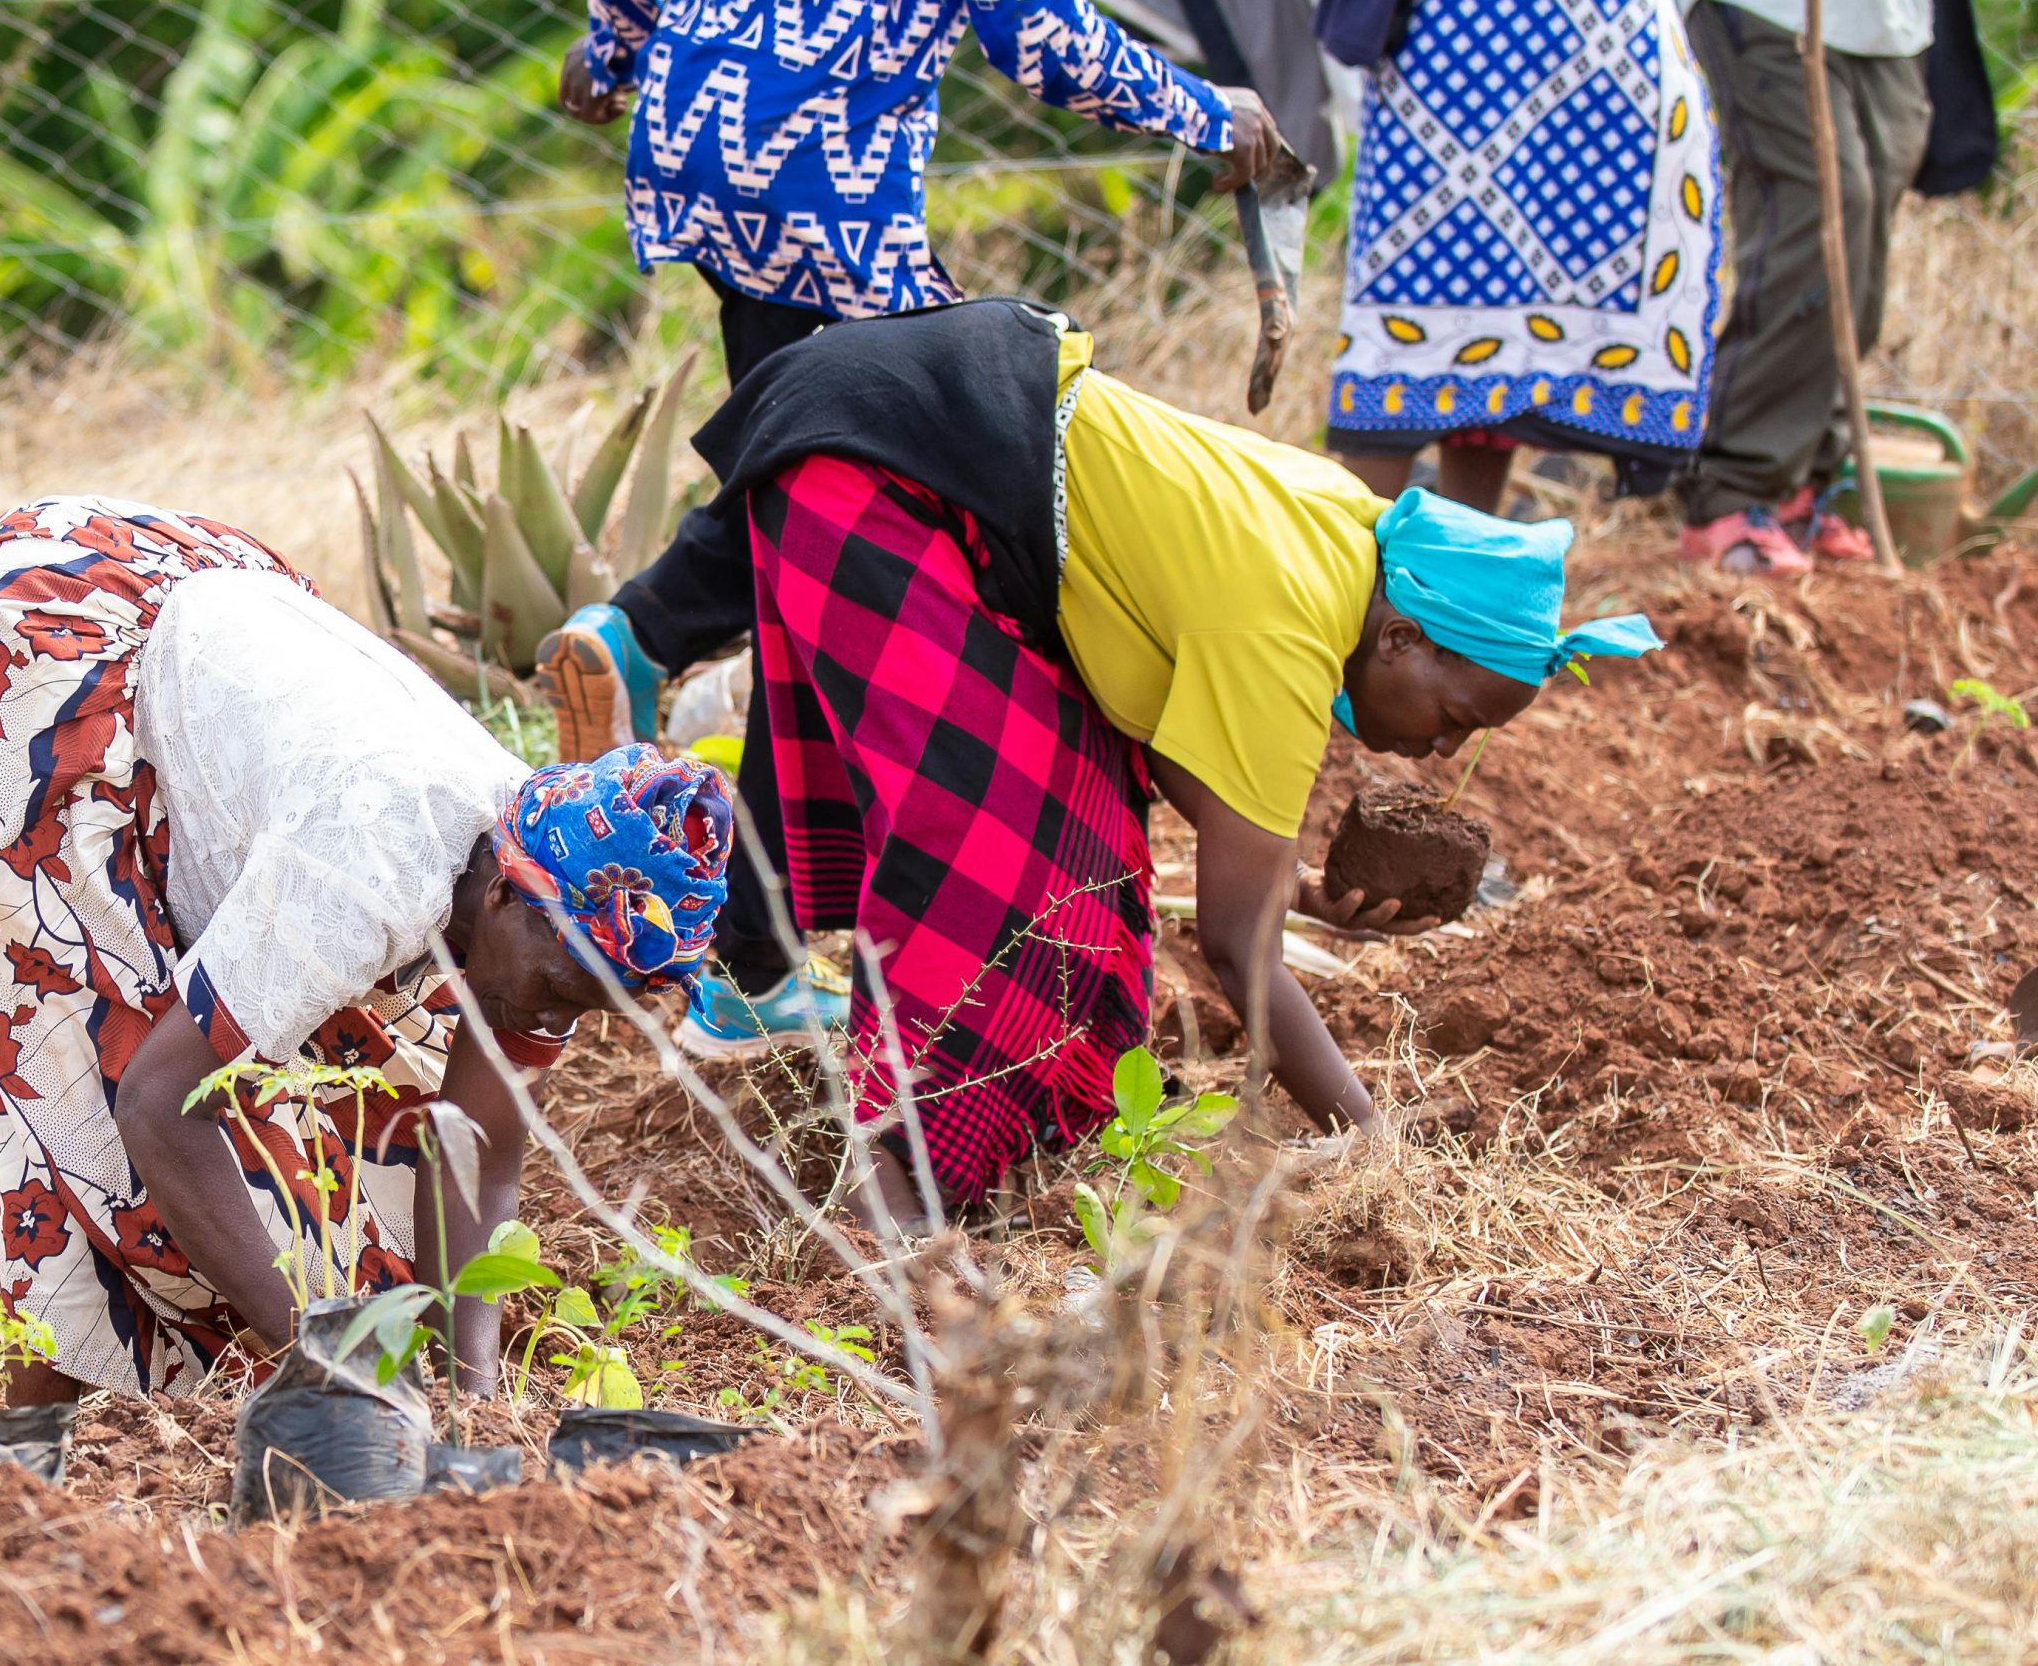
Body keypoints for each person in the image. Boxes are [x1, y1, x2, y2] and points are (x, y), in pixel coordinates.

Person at [684, 299, 1660, 1219]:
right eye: (1451, 715)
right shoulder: (1286, 633)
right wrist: (1368, 1134)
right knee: (982, 846)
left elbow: (1175, 724)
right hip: (887, 461)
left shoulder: (1354, 537)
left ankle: (1018, 1124)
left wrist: (1291, 880)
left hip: (929, 435)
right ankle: (888, 1170)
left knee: (1092, 825)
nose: (1441, 748)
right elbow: (1238, 947)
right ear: (1403, 640)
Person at [546, 0, 1285, 1058]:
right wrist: (1201, 112)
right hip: (823, 177)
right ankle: (660, 662)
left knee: (815, 477)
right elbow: (1036, 34)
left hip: (705, 142)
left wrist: (613, 52)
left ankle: (741, 918)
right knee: (883, 474)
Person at [0, 497, 731, 1401]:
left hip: (211, 635)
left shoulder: (562, 901)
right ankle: (40, 1437)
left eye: (586, 1008)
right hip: (43, 637)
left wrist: (474, 1401)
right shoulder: (371, 866)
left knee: (367, 1121)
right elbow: (157, 1103)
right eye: (559, 989)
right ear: (503, 894)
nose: (553, 1018)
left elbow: (476, 1142)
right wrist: (342, 1362)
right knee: (92, 1091)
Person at [1326, 0, 1723, 515]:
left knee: (1499, 351)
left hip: (1600, 41)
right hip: (1456, 26)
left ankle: (1457, 582)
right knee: (1407, 316)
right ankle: (1358, 581)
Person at [1672, 0, 1933, 572]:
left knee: (1860, 249)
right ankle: (1733, 491)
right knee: (1821, 207)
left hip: (1887, 8)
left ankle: (1799, 489)